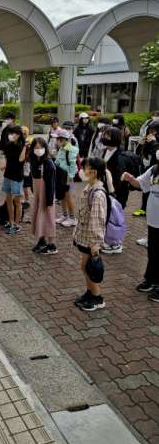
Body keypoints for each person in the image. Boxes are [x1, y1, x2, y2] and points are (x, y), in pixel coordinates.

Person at [122, 152, 159, 301]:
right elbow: (141, 183)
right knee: (153, 251)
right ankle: (151, 279)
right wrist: (130, 179)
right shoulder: (154, 169)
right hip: (153, 219)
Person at [73, 157, 108, 311]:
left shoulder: (98, 193)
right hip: (85, 236)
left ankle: (97, 298)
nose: (82, 171)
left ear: (93, 172)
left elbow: (97, 220)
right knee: (85, 266)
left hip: (91, 239)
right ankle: (90, 293)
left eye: (85, 168)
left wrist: (95, 243)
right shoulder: (90, 187)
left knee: (90, 268)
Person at [100, 125, 133, 254]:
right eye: (105, 135)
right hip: (107, 189)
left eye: (107, 135)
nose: (104, 137)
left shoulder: (121, 155)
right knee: (108, 216)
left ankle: (116, 243)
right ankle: (109, 240)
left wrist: (113, 193)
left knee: (115, 218)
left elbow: (119, 177)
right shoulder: (106, 151)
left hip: (117, 192)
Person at [29, 138, 57, 254]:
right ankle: (41, 240)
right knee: (38, 216)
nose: (38, 149)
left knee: (48, 218)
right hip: (38, 195)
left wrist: (49, 201)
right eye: (36, 147)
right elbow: (32, 177)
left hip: (46, 195)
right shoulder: (34, 160)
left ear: (45, 148)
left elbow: (51, 184)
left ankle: (52, 245)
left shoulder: (48, 163)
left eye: (41, 147)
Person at [0, 125, 26, 234]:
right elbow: (7, 157)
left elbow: (20, 160)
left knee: (17, 201)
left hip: (17, 176)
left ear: (19, 135)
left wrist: (25, 146)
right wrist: (5, 165)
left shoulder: (22, 146)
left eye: (13, 133)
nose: (11, 135)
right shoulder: (8, 145)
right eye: (10, 133)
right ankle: (11, 221)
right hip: (8, 175)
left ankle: (16, 224)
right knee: (9, 199)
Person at [134, 122, 159, 216]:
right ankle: (143, 208)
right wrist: (141, 143)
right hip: (147, 168)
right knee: (146, 188)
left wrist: (154, 142)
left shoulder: (155, 143)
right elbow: (137, 153)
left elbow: (157, 155)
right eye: (150, 131)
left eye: (154, 131)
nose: (152, 133)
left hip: (155, 169)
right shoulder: (149, 141)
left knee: (154, 189)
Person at [55, 130, 78, 227]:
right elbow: (58, 161)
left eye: (59, 139)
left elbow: (73, 165)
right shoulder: (62, 148)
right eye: (57, 139)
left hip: (70, 178)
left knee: (69, 197)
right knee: (62, 196)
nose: (57, 141)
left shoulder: (71, 149)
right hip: (61, 176)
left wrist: (70, 177)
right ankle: (64, 215)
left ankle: (72, 218)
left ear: (65, 139)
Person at [21, 125, 33, 210]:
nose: (23, 135)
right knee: (22, 184)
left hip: (26, 165)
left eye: (25, 133)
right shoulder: (19, 142)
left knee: (25, 184)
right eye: (22, 133)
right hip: (21, 165)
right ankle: (23, 200)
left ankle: (27, 200)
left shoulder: (29, 142)